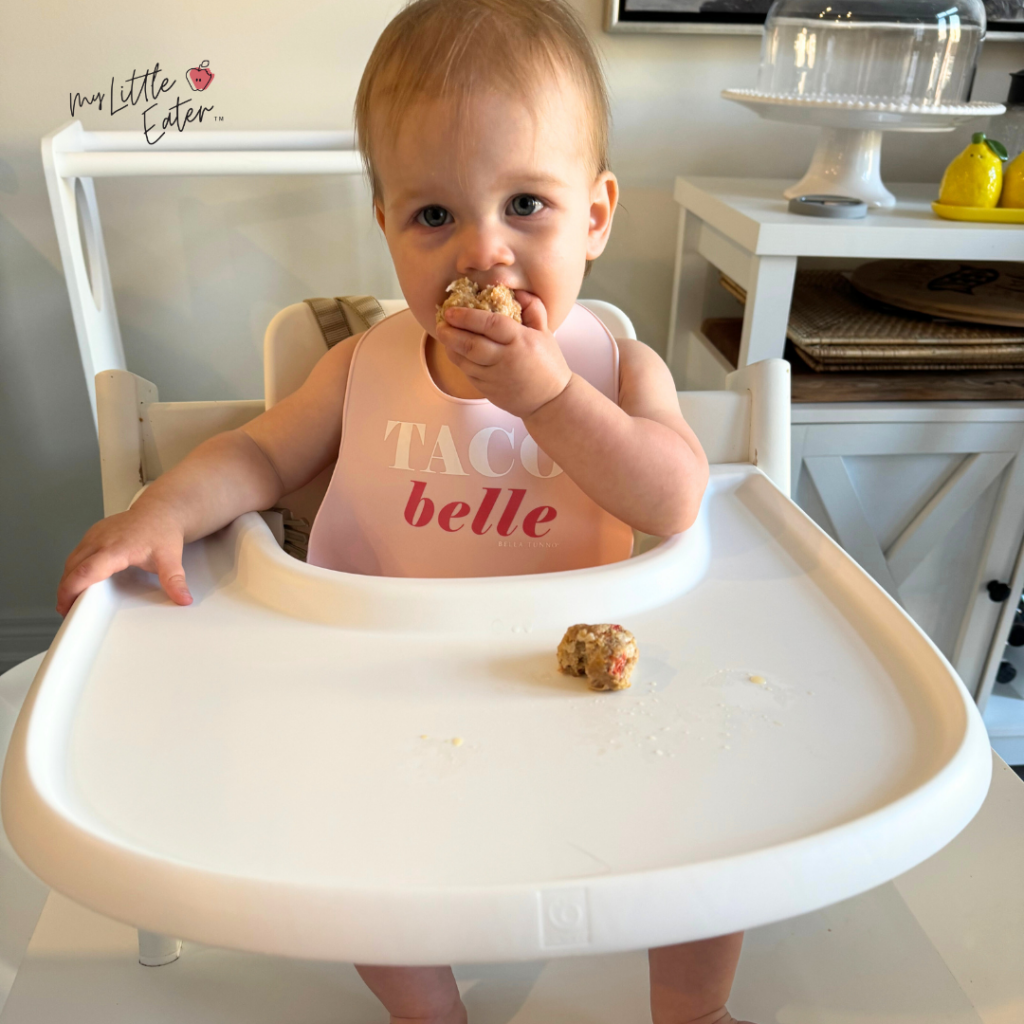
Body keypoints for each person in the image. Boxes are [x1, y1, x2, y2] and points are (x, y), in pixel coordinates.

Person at [56, 1, 751, 1021]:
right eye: (434, 216)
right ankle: (431, 1010)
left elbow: (675, 495)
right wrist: (162, 507)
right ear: (385, 225)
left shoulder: (615, 367)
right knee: (349, 864)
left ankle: (688, 1009)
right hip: (383, 689)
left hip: (580, 700)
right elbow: (255, 454)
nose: (485, 251)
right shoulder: (359, 364)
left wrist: (550, 398)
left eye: (526, 204)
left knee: (717, 823)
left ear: (596, 214)